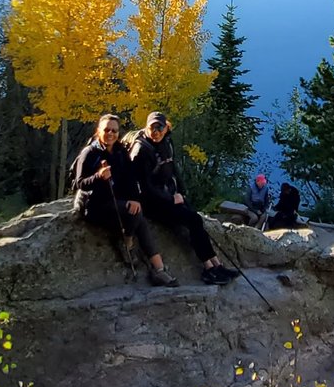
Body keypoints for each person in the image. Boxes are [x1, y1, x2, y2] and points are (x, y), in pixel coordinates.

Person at [71, 113, 191, 287]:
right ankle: (127, 243)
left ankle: (159, 269)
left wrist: (135, 198)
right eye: (106, 130)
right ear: (99, 131)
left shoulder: (120, 151)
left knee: (137, 212)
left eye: (114, 130)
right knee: (135, 213)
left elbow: (130, 179)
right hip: (93, 205)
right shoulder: (90, 153)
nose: (110, 133)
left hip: (115, 201)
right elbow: (79, 183)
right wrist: (98, 176)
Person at [122, 111, 239, 286]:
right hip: (152, 203)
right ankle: (209, 269)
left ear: (166, 128)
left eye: (160, 128)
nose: (156, 132)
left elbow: (173, 169)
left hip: (167, 196)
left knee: (195, 219)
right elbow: (145, 188)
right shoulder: (141, 151)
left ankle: (216, 265)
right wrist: (171, 198)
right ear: (147, 127)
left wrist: (182, 193)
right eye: (152, 128)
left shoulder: (166, 142)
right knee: (192, 220)